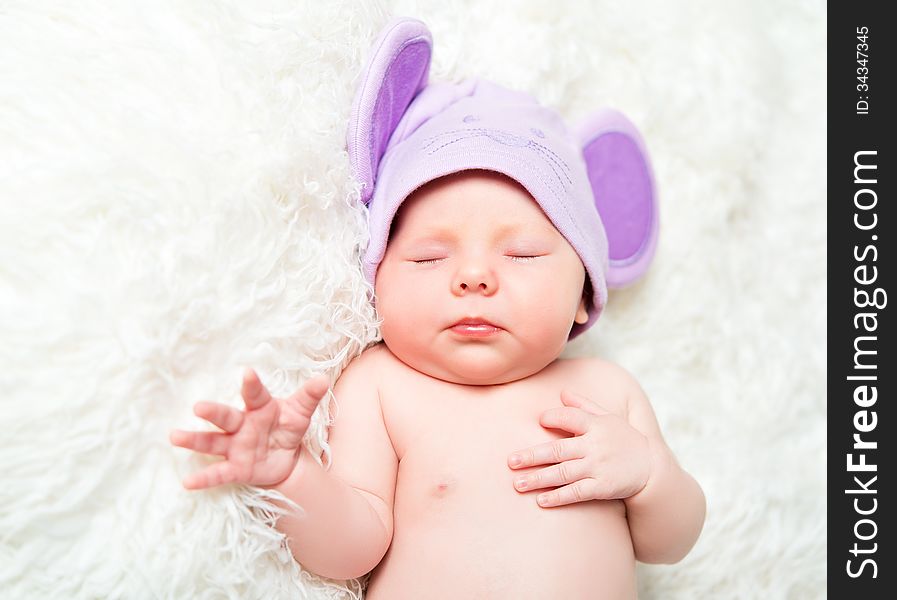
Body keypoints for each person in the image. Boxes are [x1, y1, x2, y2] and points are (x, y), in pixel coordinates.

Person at [170, 17, 705, 598]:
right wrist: (292, 477)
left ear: (583, 295)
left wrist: (649, 475)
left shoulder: (606, 391)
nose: (474, 277)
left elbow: (670, 544)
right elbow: (351, 550)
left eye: (523, 254)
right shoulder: (382, 386)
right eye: (428, 258)